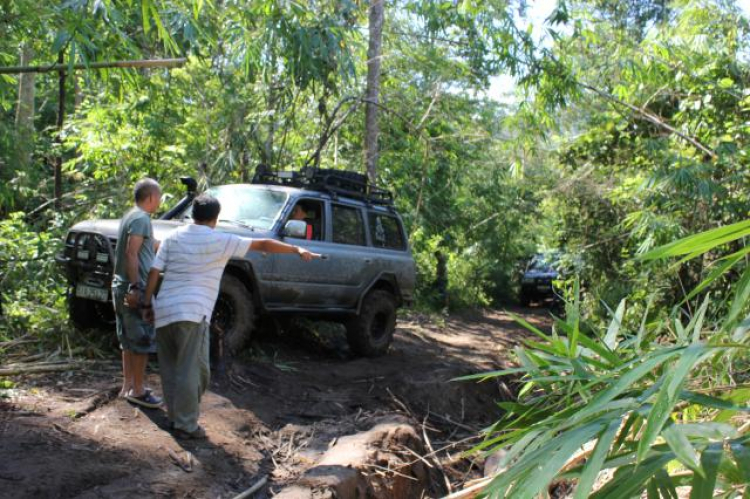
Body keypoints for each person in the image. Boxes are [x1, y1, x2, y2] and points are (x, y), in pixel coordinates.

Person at [142, 194, 320, 439]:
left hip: (165, 308)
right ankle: (185, 425)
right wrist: (296, 249)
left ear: (193, 215)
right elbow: (263, 245)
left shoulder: (173, 237)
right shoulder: (220, 240)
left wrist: (147, 302)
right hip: (191, 312)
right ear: (216, 218)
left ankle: (177, 418)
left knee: (174, 368)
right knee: (190, 370)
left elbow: (154, 270)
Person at [112, 178, 163, 408]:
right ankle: (139, 390)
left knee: (127, 339)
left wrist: (160, 245)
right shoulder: (142, 218)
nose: (159, 202)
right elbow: (131, 253)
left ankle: (128, 385)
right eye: (159, 198)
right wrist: (136, 287)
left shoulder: (130, 216)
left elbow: (141, 247)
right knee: (141, 338)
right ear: (151, 197)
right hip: (135, 286)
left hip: (120, 284)